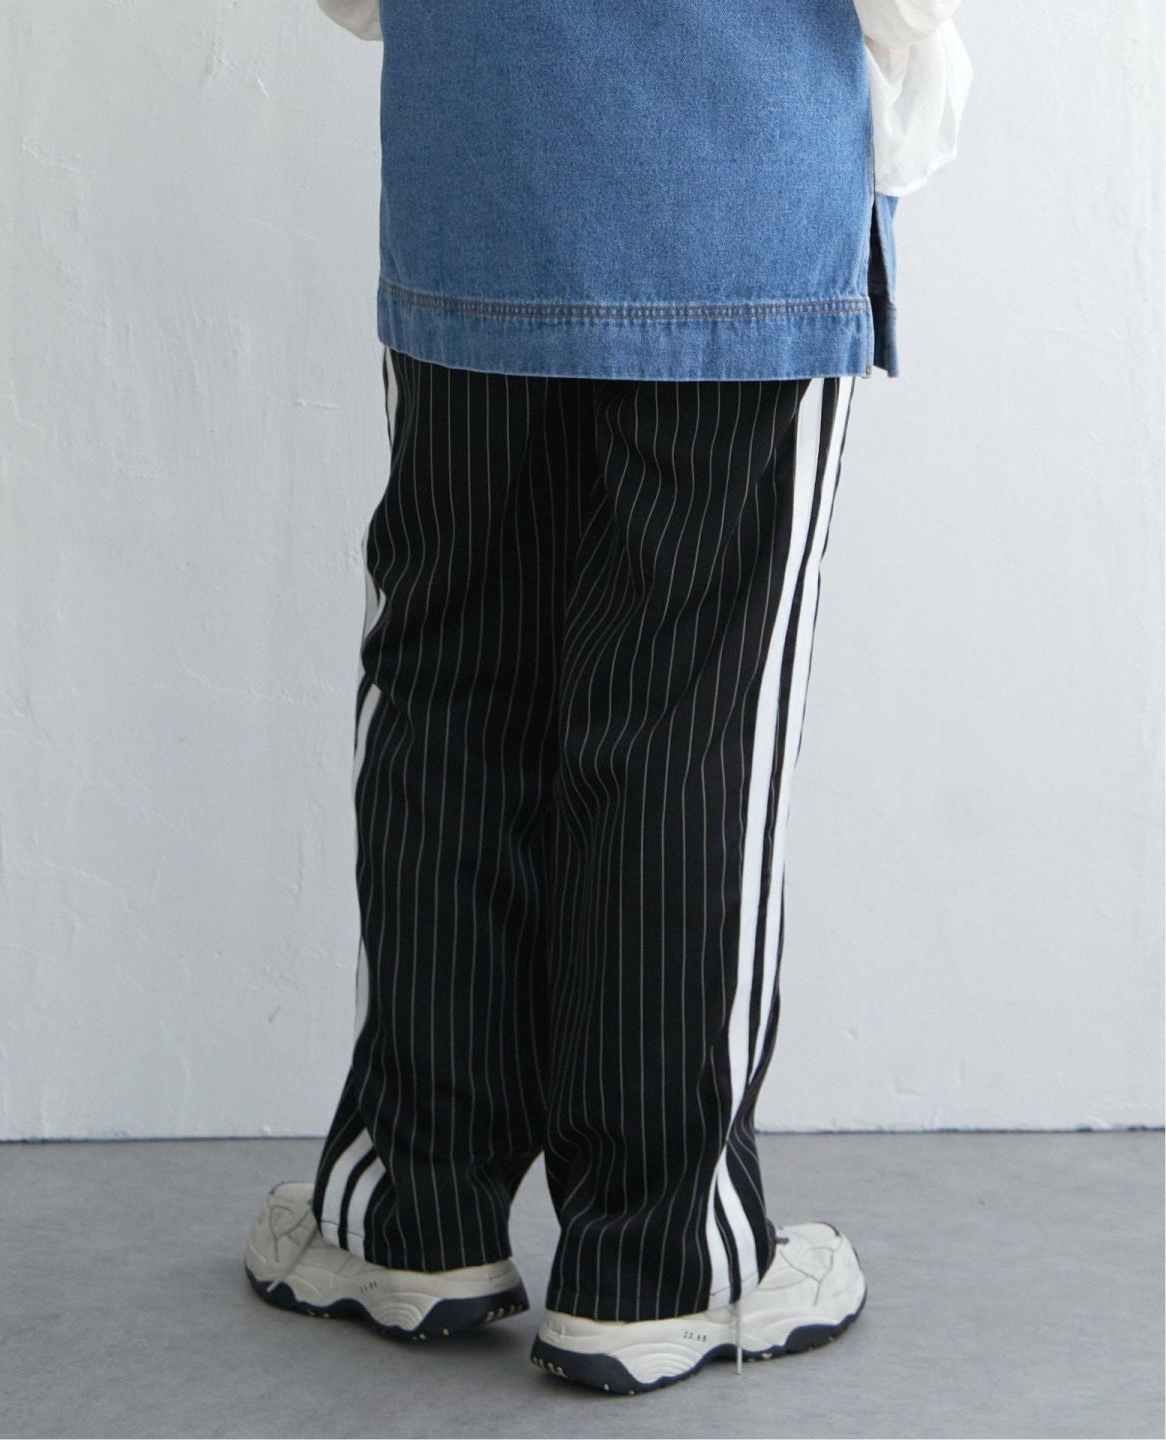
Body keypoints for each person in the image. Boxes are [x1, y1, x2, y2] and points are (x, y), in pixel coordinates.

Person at [243, 0, 972, 1396]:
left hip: (480, 189)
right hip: (731, 211)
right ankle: (660, 1256)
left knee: (448, 688)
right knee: (687, 729)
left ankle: (414, 1210)